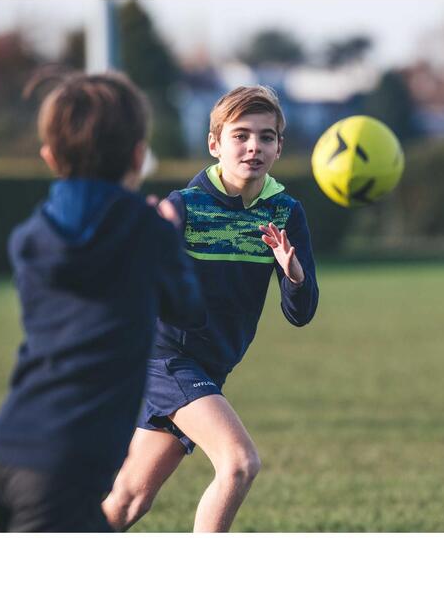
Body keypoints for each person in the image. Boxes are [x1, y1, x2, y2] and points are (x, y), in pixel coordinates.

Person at [0, 70, 205, 532]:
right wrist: (164, 234)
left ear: (49, 156)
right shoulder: (147, 234)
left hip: (9, 450)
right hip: (68, 464)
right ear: (139, 156)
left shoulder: (29, 237)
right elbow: (188, 309)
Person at [102, 85, 319, 532]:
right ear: (214, 143)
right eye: (240, 135)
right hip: (167, 359)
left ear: (279, 146)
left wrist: (293, 273)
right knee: (239, 463)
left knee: (129, 501)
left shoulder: (285, 212)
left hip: (211, 366)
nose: (254, 147)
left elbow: (301, 313)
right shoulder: (182, 207)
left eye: (267, 136)